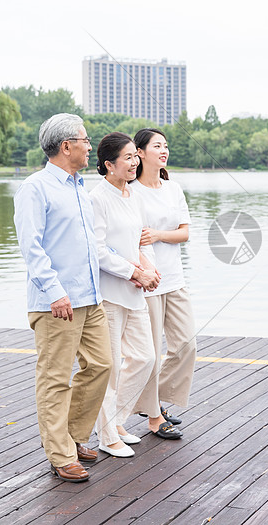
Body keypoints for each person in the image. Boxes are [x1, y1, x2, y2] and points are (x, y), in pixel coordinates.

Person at [13, 113, 112, 483]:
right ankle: (60, 454)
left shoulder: (79, 187)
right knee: (55, 378)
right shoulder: (35, 188)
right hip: (56, 302)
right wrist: (54, 292)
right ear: (66, 145)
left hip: (90, 298)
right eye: (85, 140)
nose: (90, 146)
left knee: (101, 365)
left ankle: (74, 436)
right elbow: (31, 247)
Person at [90, 132, 161, 457]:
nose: (134, 163)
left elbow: (137, 241)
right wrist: (135, 272)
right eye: (128, 158)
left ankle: (115, 421)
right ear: (108, 164)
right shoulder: (97, 198)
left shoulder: (132, 195)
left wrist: (148, 267)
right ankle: (107, 436)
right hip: (110, 292)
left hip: (134, 291)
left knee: (145, 357)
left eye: (135, 156)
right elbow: (99, 251)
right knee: (111, 368)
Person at [130, 127, 196, 439]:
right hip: (149, 281)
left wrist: (157, 234)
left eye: (165, 145)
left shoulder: (173, 188)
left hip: (175, 278)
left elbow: (184, 232)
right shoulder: (131, 191)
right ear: (140, 153)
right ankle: (154, 417)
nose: (164, 150)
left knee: (185, 344)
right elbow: (130, 237)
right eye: (157, 146)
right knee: (152, 352)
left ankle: (152, 400)